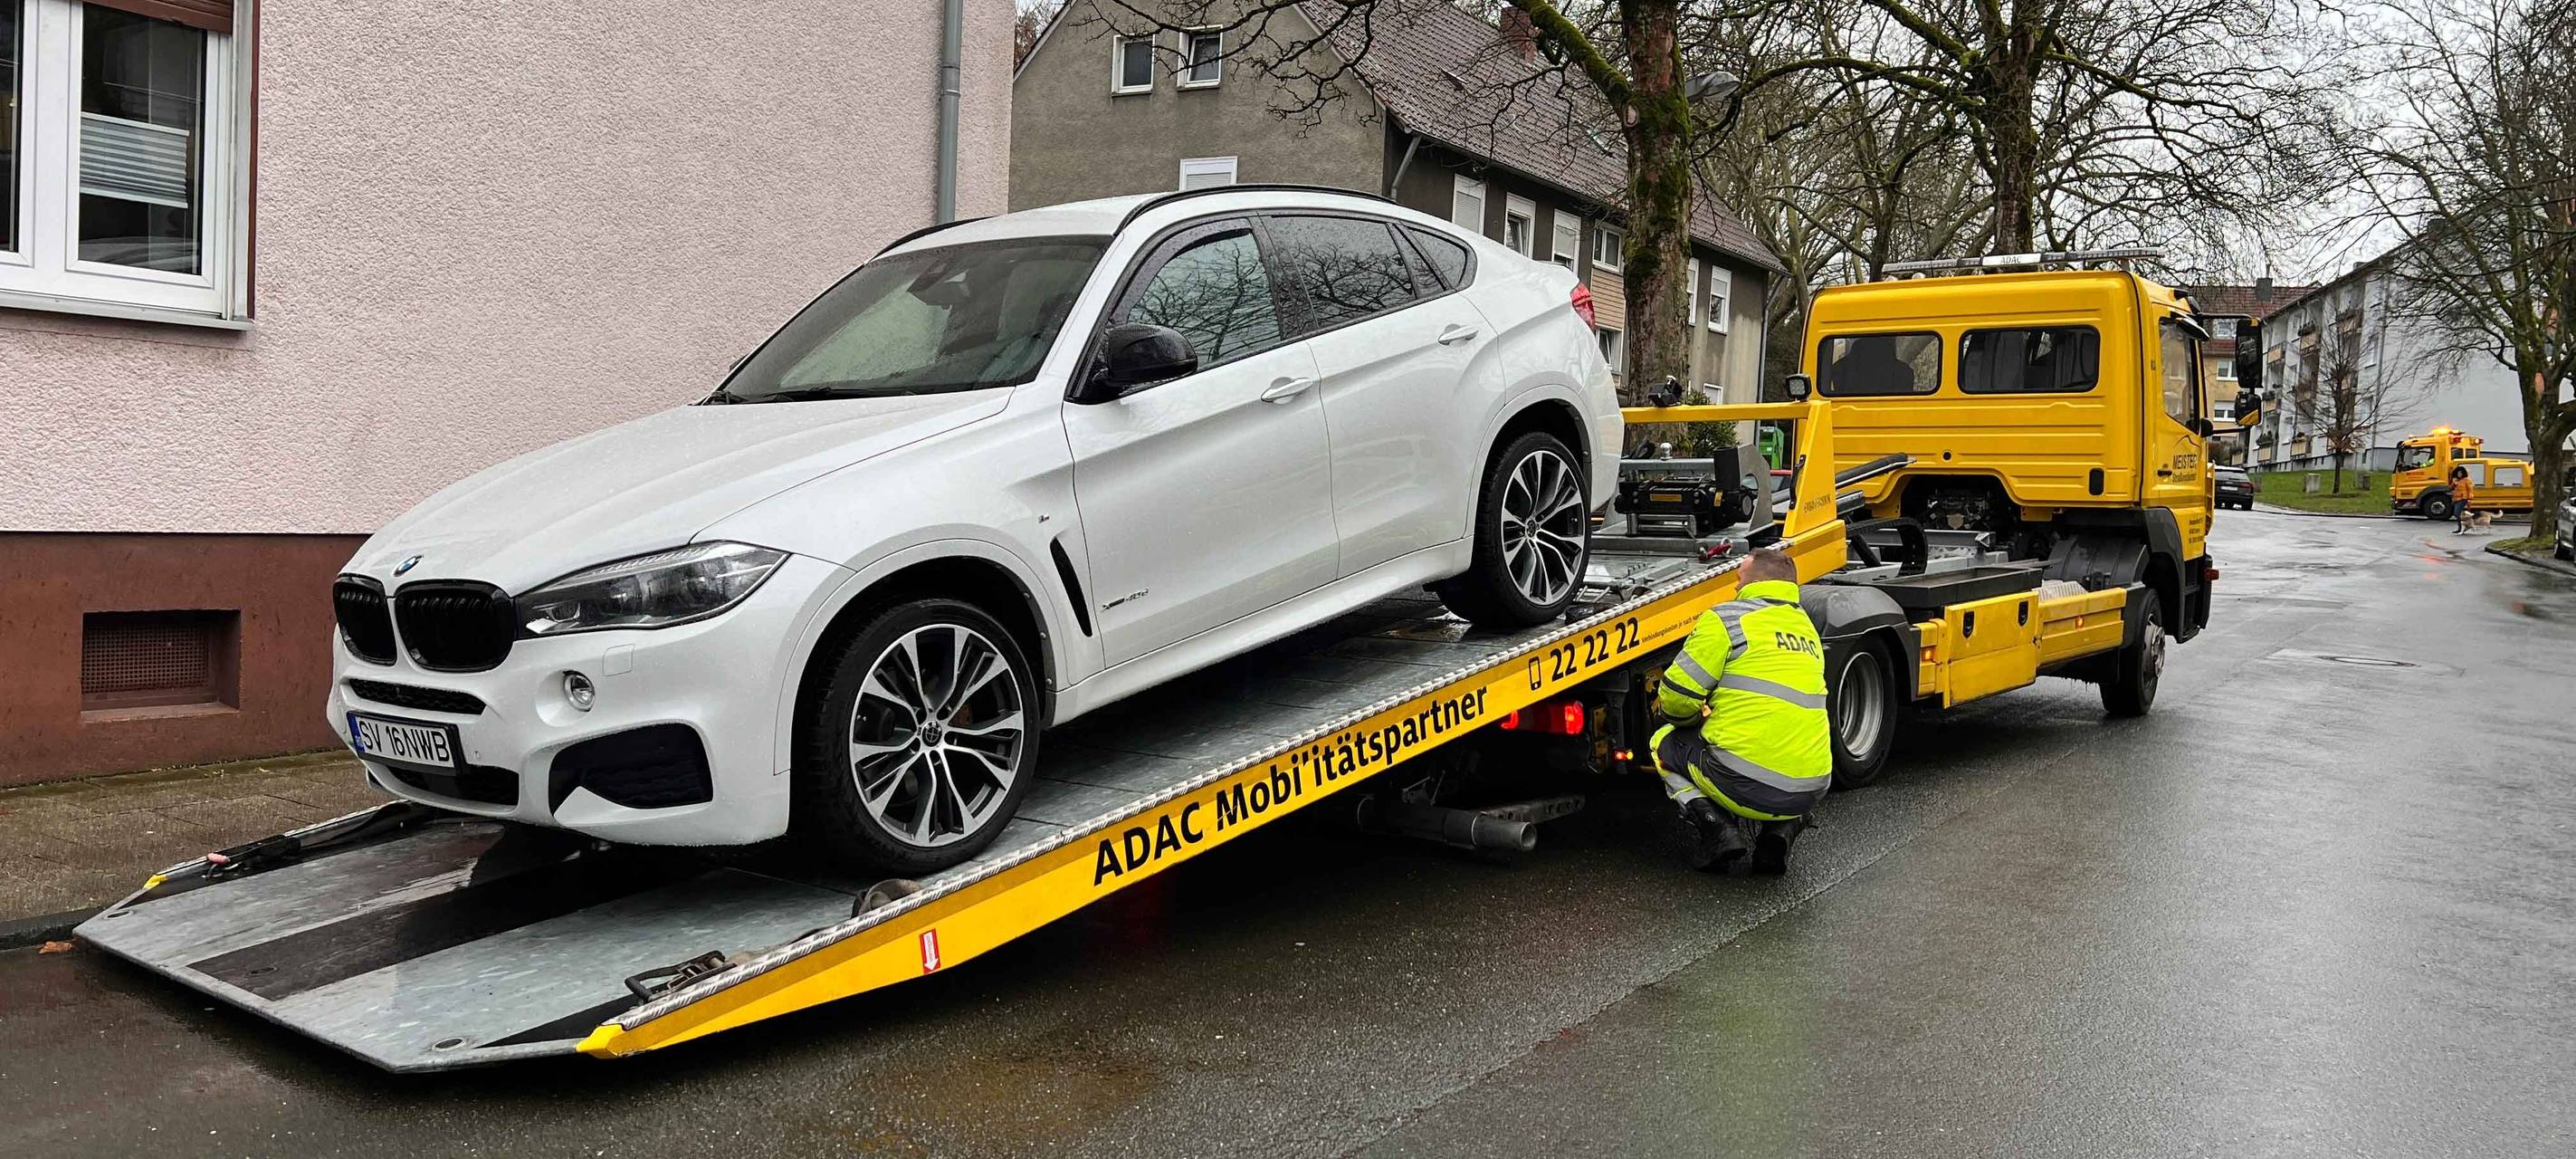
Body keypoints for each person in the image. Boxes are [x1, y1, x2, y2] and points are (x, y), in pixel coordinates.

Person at [1648, 548, 1834, 876]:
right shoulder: (1807, 631)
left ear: (1756, 581)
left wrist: (1691, 722)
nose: (1735, 588)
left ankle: (1717, 829)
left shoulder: (1726, 619)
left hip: (1744, 782)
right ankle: (1779, 833)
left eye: (1739, 579)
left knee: (1663, 742)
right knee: (1787, 749)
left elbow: (1676, 697)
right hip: (1813, 787)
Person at [2452, 465, 2477, 535]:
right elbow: (2452, 488)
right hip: (2457, 499)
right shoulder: (2456, 480)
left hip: (2463, 498)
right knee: (2457, 514)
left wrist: (2469, 499)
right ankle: (2461, 527)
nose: (2459, 474)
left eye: (2460, 473)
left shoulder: (2467, 480)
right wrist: (2454, 483)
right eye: (2458, 473)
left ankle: (2462, 528)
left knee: (2457, 513)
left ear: (2463, 473)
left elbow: (2470, 490)